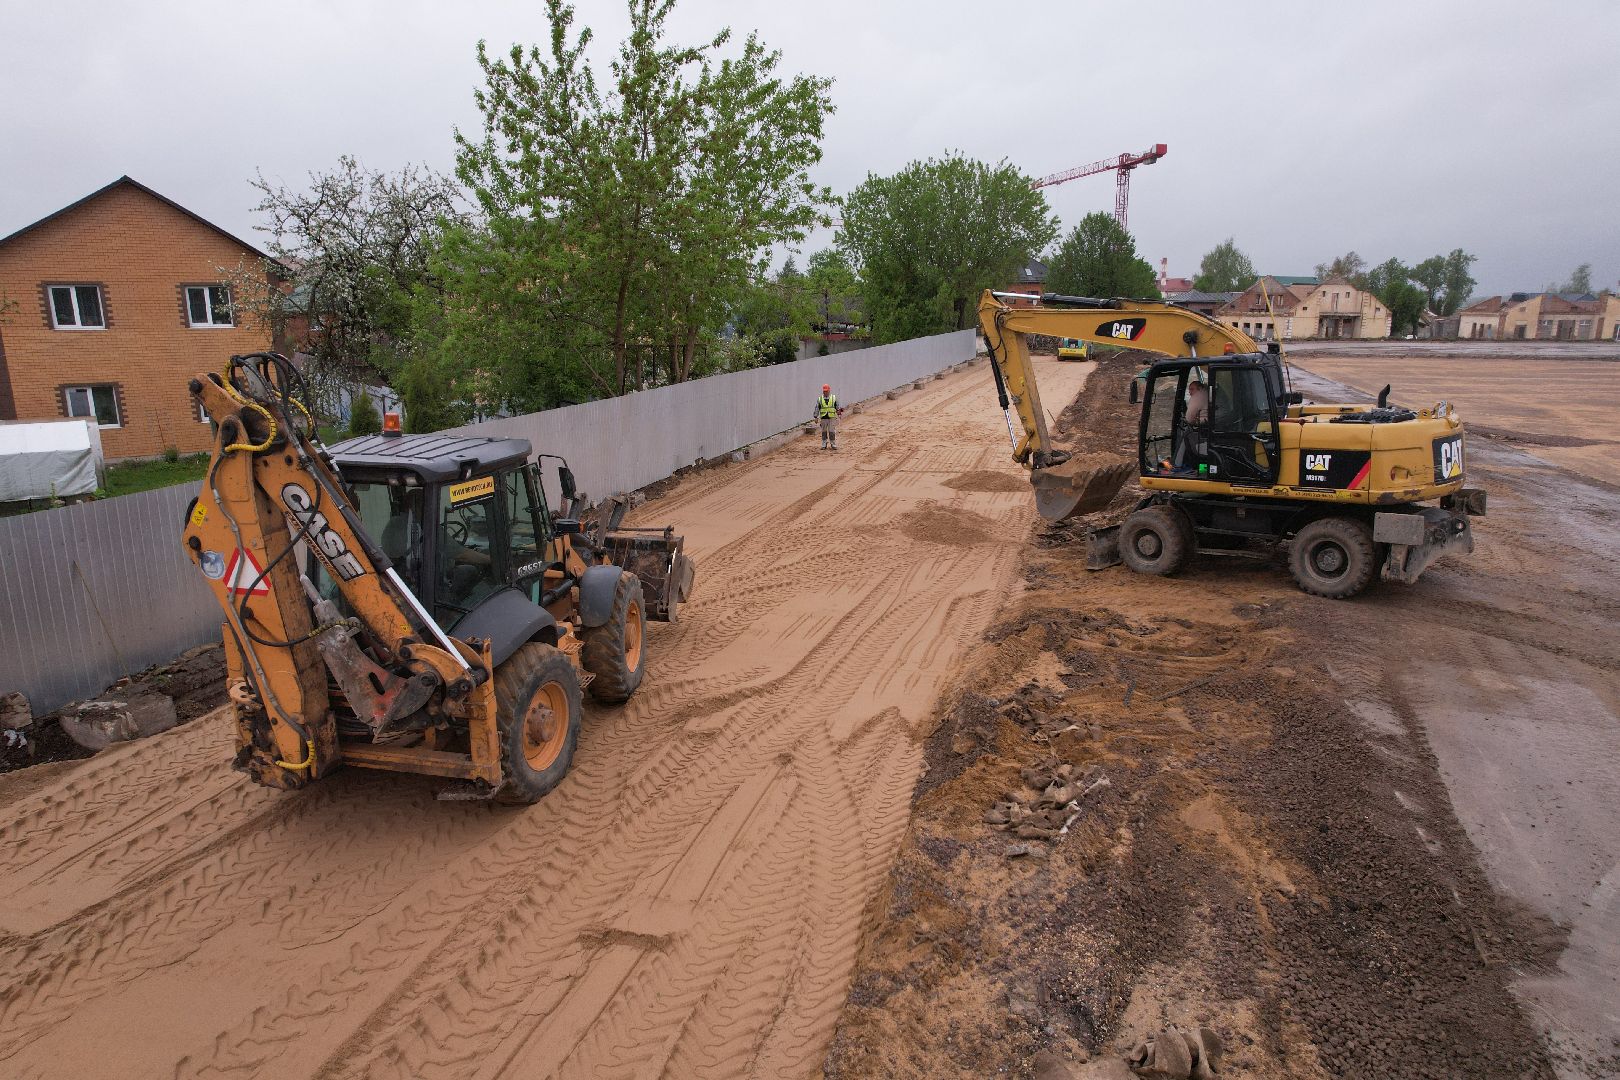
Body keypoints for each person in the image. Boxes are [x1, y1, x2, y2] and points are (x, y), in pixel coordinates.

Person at [813, 383, 841, 450]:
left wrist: (839, 413)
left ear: (829, 390)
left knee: (832, 431)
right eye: (824, 391)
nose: (825, 392)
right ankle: (824, 444)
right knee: (824, 432)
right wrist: (815, 417)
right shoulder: (820, 399)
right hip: (823, 418)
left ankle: (833, 444)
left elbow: (837, 407)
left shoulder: (834, 398)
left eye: (826, 391)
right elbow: (817, 408)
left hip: (831, 418)